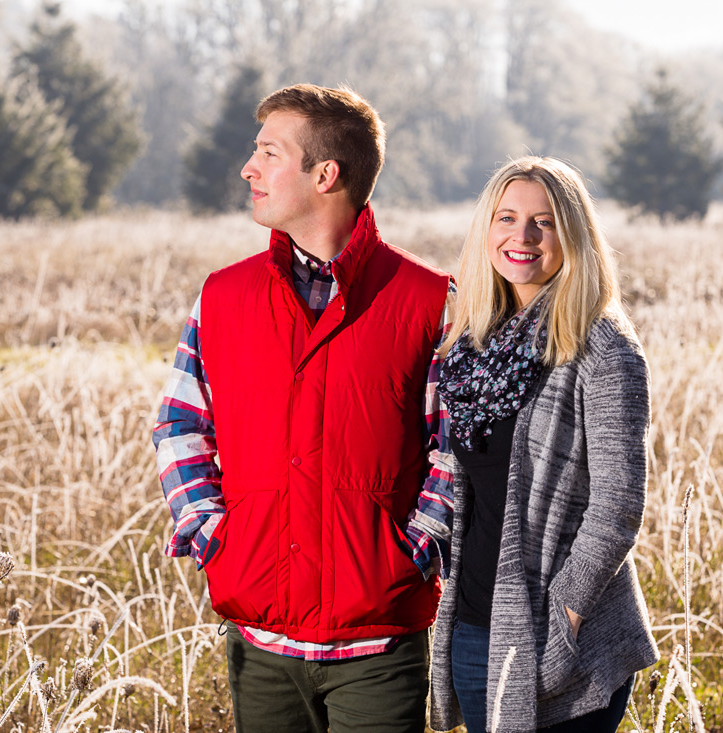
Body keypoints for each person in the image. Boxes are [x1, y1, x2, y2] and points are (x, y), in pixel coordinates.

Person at [153, 84, 454, 733]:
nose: (248, 168)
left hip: (378, 648)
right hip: (260, 645)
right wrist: (214, 537)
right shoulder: (222, 297)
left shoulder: (428, 302)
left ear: (325, 174)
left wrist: (414, 551)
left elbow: (456, 448)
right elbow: (178, 421)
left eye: (268, 152)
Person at [428, 156, 660, 733]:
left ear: (572, 234)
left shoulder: (602, 346)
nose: (521, 236)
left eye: (544, 222)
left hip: (560, 640)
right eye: (506, 217)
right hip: (474, 624)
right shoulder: (476, 343)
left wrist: (566, 619)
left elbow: (618, 506)